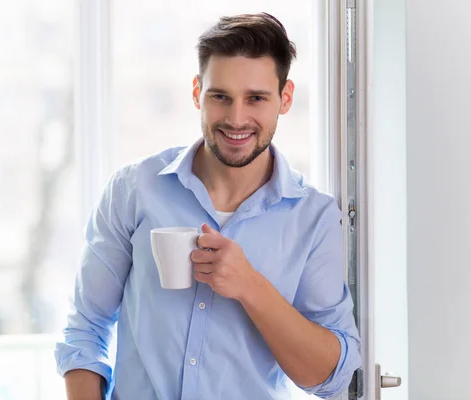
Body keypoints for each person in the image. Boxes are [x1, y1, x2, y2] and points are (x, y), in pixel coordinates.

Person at [55, 12, 361, 399]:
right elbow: (86, 326)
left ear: (285, 99)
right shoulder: (134, 189)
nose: (236, 119)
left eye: (256, 99)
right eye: (221, 97)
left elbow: (329, 377)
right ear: (198, 92)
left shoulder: (314, 218)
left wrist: (251, 286)